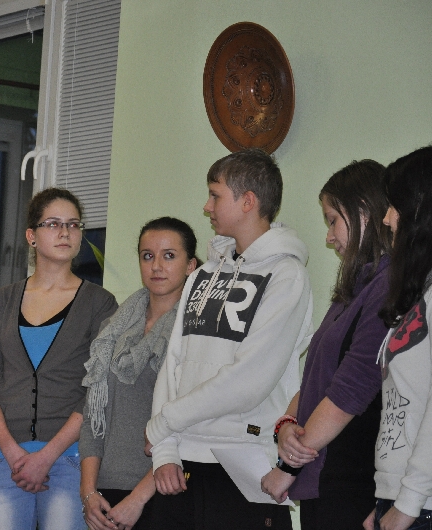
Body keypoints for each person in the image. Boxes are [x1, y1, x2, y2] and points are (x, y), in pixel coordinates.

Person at [144, 148, 313, 529]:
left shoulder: (287, 276)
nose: (206, 206)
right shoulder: (202, 275)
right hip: (183, 462)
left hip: (245, 465)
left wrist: (163, 424)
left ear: (248, 201)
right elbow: (174, 361)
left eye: (215, 195)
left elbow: (249, 380)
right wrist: (166, 449)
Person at [0, 188, 118, 530]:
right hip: (6, 461)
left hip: (71, 460)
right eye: (53, 223)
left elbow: (98, 389)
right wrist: (11, 451)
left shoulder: (100, 303)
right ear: (31, 236)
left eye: (73, 224)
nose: (65, 232)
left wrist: (48, 455)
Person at [260, 160, 392, 529]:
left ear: (364, 212)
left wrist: (287, 466)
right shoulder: (354, 288)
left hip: (353, 479)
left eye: (333, 220)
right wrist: (286, 424)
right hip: (326, 479)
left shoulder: (387, 287)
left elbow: (350, 390)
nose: (329, 237)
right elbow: (318, 377)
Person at [80, 217, 199, 530]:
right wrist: (89, 492)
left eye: (169, 255)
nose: (156, 265)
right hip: (106, 492)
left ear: (190, 265)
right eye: (148, 256)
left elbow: (190, 423)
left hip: (164, 488)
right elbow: (93, 417)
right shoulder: (112, 331)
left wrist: (137, 499)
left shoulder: (195, 334)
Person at [362, 146, 432, 530]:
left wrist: (409, 501)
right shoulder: (428, 288)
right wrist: (388, 499)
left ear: (422, 210)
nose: (386, 218)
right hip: (408, 500)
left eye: (394, 206)